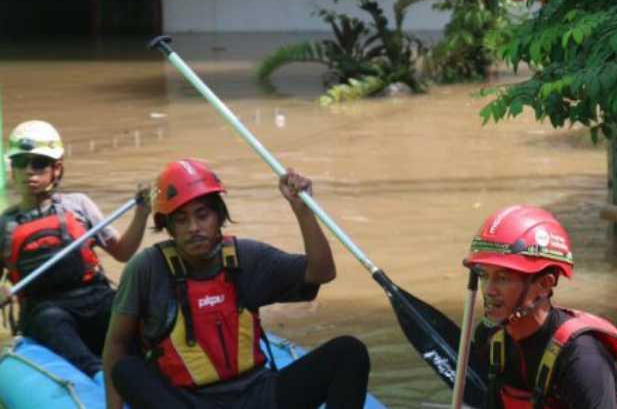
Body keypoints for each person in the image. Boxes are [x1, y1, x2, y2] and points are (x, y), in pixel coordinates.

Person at [102, 158, 370, 409]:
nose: (193, 227)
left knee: (349, 352)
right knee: (126, 370)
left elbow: (322, 272)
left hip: (257, 394)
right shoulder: (146, 269)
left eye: (202, 215)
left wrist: (303, 211)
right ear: (169, 229)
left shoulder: (246, 257)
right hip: (189, 402)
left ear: (219, 217)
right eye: (181, 220)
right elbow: (116, 344)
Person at [463, 205, 617, 409]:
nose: (489, 290)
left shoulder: (583, 360)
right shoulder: (491, 339)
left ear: (544, 284)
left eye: (503, 278)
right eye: (484, 275)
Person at [0, 120, 149, 379]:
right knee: (52, 321)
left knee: (124, 310)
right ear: (12, 169)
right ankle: (97, 375)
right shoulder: (6, 224)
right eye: (21, 163)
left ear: (56, 169)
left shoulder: (78, 205)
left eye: (39, 163)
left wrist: (142, 213)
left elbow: (122, 253)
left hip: (94, 296)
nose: (29, 172)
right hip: (44, 308)